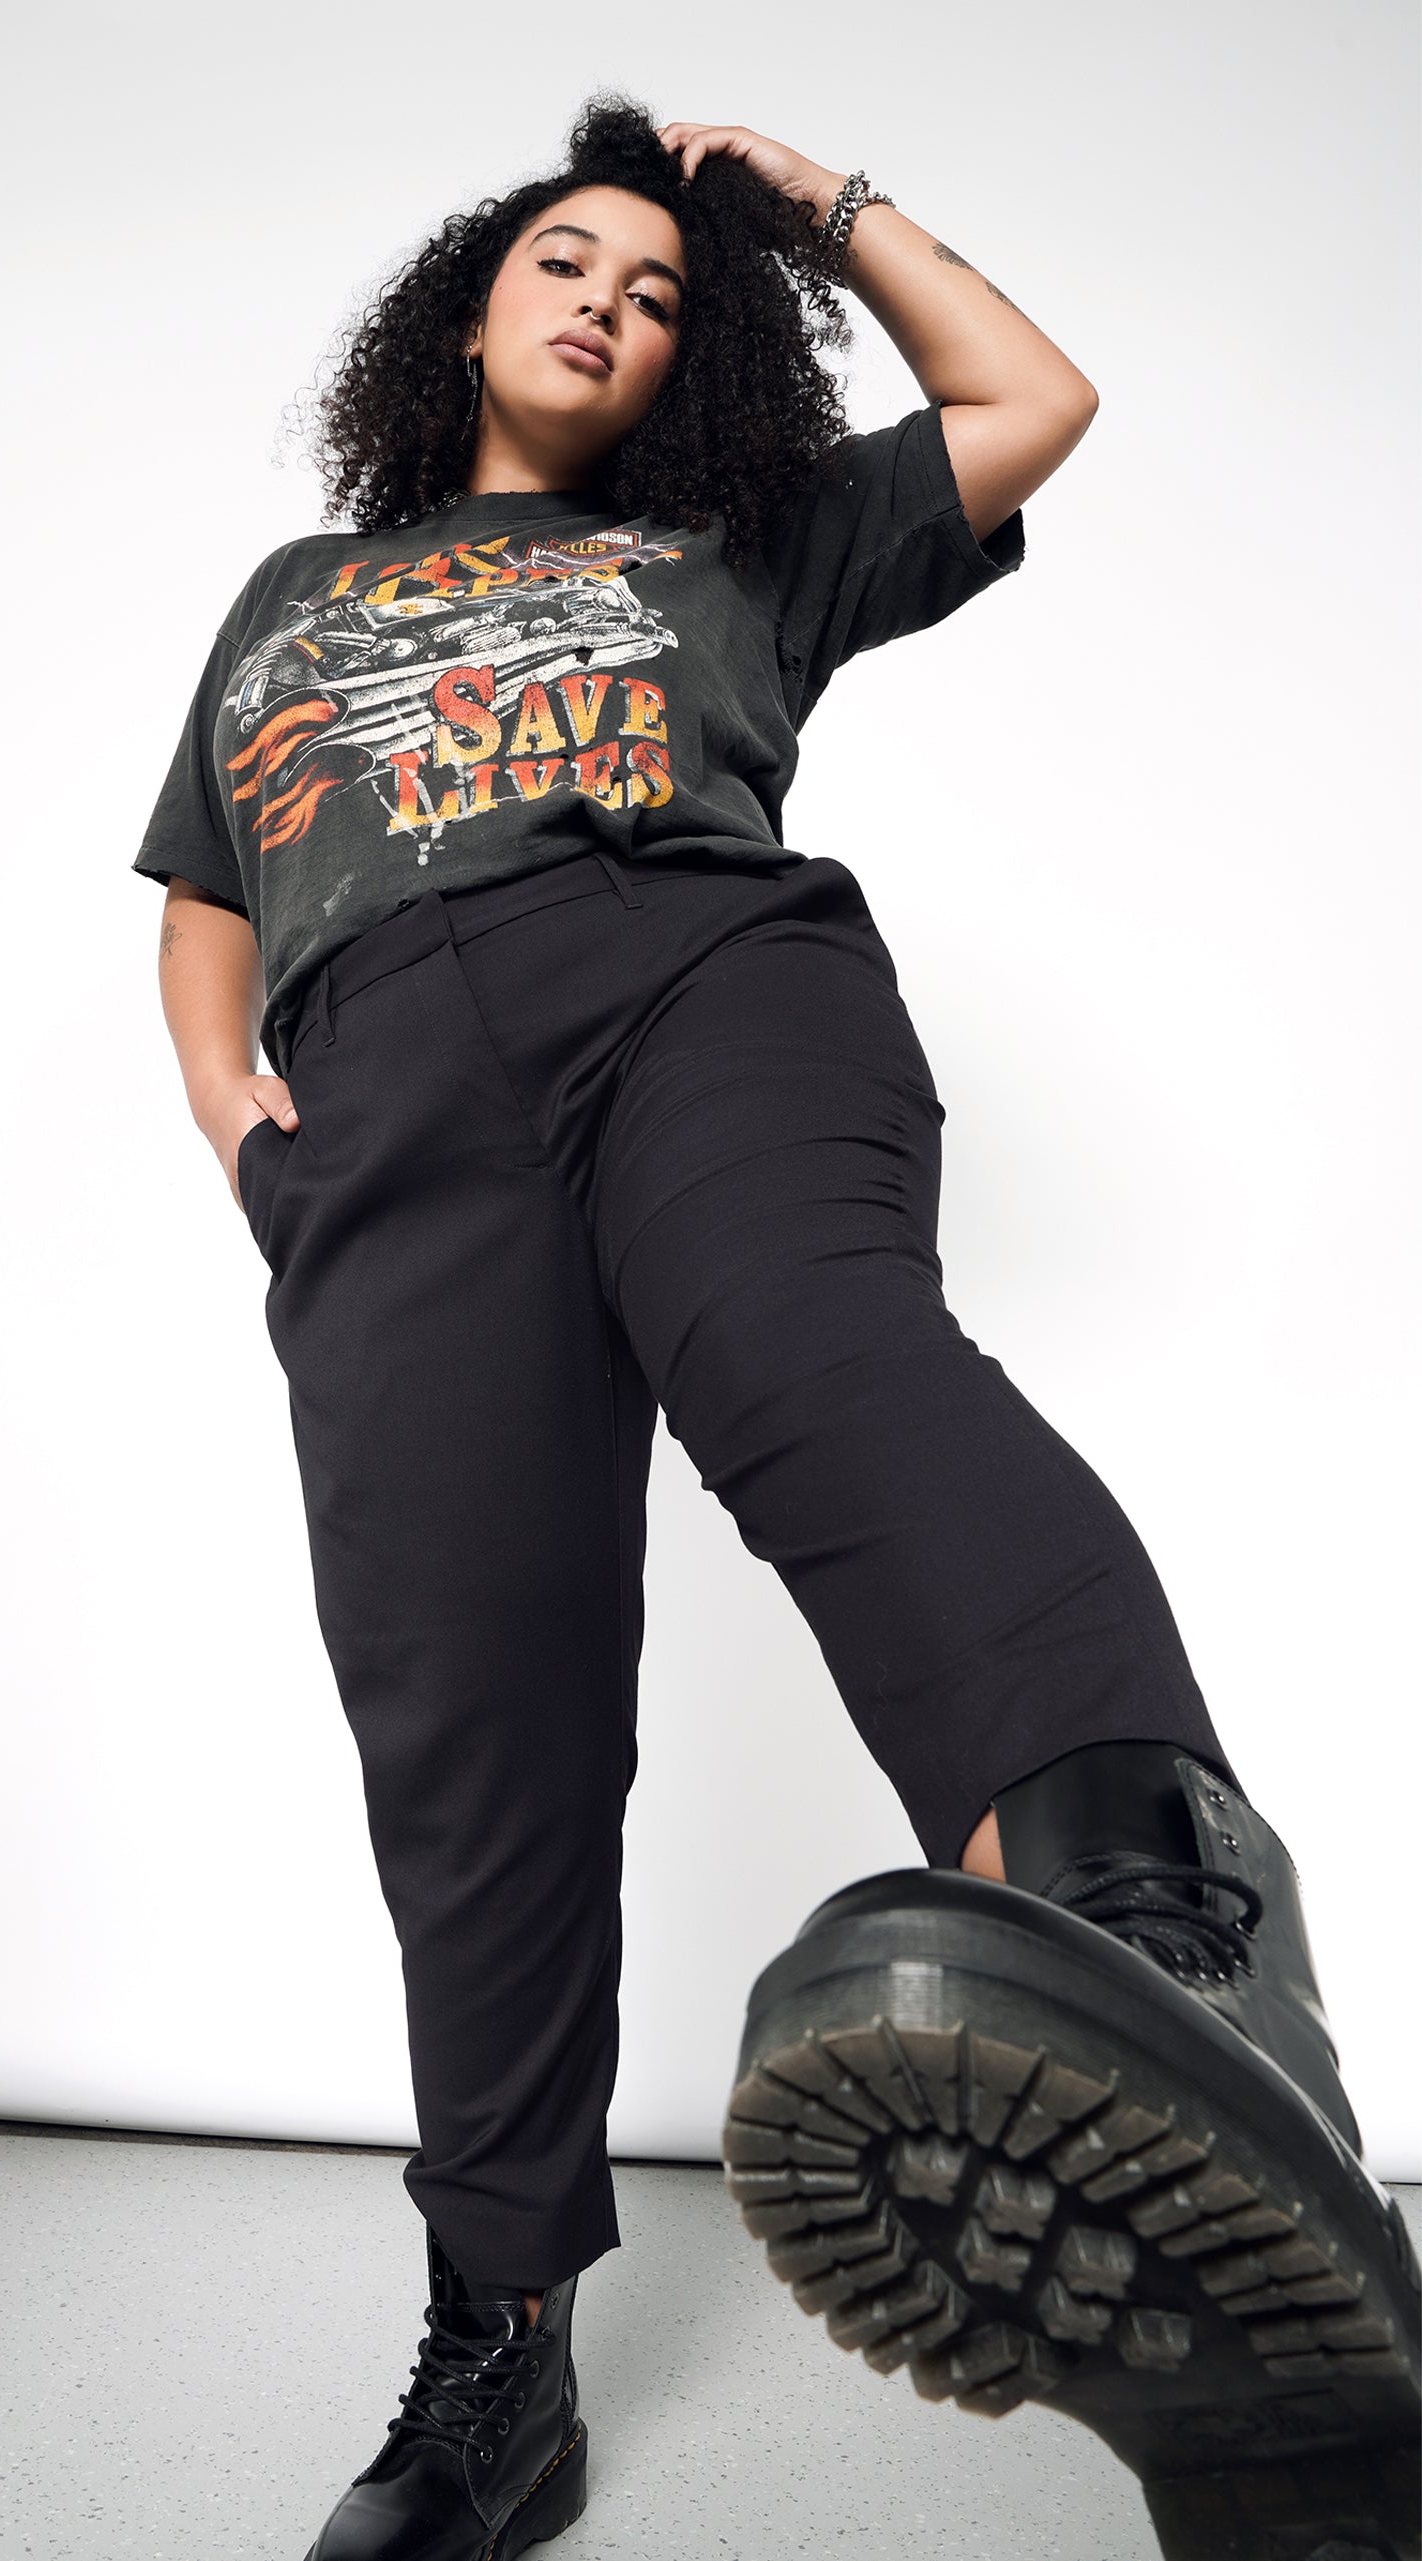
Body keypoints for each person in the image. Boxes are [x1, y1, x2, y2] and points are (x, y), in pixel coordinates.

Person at [133, 97, 1418, 2561]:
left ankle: (1167, 1961)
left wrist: (809, 203)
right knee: (465, 1703)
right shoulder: (301, 584)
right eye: (566, 257)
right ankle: (496, 2353)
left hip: (697, 974)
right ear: (469, 300)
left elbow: (1028, 403)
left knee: (829, 1364)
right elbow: (208, 873)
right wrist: (238, 1119)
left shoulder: (741, 536)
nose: (608, 296)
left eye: (654, 289)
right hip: (389, 1098)